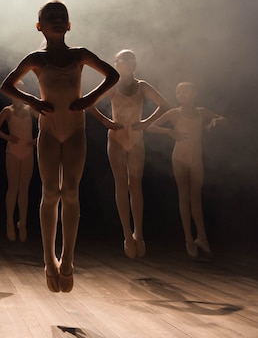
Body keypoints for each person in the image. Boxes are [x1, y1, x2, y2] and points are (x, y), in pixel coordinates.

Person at [0, 0, 119, 293]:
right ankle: (48, 260)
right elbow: (7, 86)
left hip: (75, 130)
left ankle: (67, 259)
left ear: (69, 25)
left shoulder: (79, 54)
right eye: (50, 17)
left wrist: (90, 98)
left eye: (61, 17)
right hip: (50, 132)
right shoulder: (36, 59)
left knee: (71, 192)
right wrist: (34, 102)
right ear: (39, 26)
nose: (56, 20)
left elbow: (112, 75)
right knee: (51, 191)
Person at [87, 49, 168, 258]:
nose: (127, 62)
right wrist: (107, 122)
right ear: (116, 64)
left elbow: (164, 105)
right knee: (122, 185)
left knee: (136, 185)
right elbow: (89, 104)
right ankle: (126, 234)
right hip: (116, 139)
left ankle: (138, 233)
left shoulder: (142, 86)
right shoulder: (112, 86)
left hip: (136, 140)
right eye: (123, 60)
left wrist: (146, 123)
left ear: (134, 64)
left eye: (131, 59)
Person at [147, 82, 225, 259]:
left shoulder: (202, 112)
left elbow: (223, 118)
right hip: (180, 158)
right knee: (184, 197)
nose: (182, 94)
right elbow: (150, 127)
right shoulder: (174, 113)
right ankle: (189, 239)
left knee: (195, 198)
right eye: (179, 92)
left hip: (196, 159)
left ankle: (202, 238)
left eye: (186, 91)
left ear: (194, 93)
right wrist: (169, 132)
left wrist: (214, 120)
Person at [0, 80, 38, 242]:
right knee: (13, 187)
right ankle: (10, 222)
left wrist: (37, 139)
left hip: (27, 152)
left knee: (24, 189)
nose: (18, 93)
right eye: (16, 90)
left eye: (21, 90)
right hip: (13, 151)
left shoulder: (30, 109)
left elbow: (45, 123)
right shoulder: (7, 111)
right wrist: (8, 137)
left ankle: (23, 223)